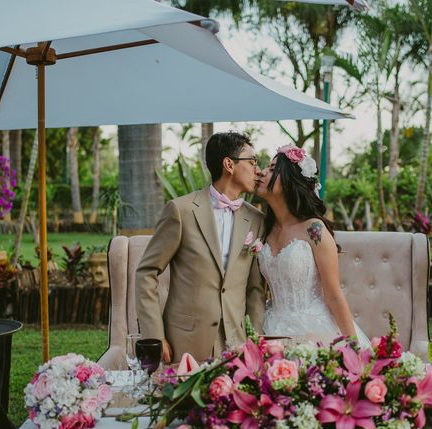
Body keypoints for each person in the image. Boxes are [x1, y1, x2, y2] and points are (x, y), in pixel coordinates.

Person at [135, 132, 266, 363]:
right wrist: (155, 336)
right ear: (229, 164)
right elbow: (146, 272)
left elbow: (255, 289)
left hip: (236, 347)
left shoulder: (256, 219)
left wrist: (255, 340)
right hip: (184, 344)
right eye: (252, 161)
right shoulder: (181, 210)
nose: (258, 169)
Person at [254, 144, 370, 347]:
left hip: (314, 331)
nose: (262, 172)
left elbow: (334, 295)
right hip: (271, 328)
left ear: (290, 181)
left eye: (272, 169)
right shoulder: (262, 229)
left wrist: (354, 348)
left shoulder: (314, 229)